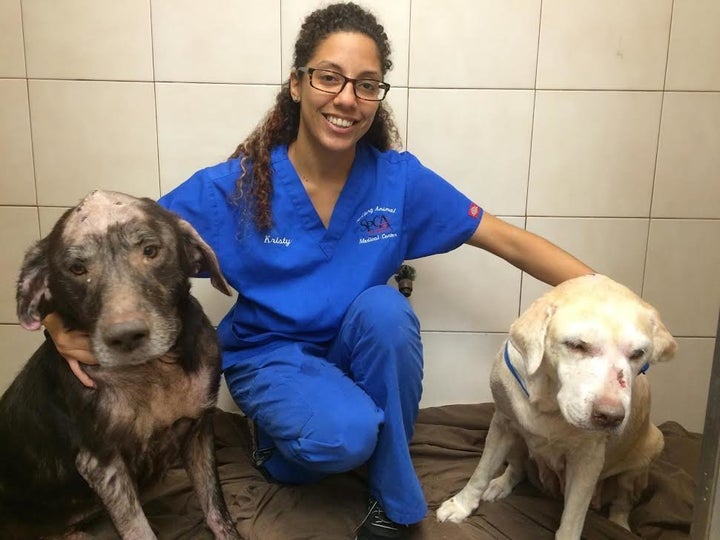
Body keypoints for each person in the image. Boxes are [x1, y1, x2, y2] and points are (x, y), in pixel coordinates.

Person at [43, 3, 594, 539]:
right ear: (297, 83)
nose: (347, 99)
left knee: (385, 309)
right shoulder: (233, 186)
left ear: (378, 96)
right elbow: (121, 244)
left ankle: (394, 506)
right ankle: (279, 452)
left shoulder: (398, 181)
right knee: (346, 437)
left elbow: (510, 240)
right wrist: (57, 322)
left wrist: (608, 303)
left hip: (354, 350)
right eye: (329, 77)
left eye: (366, 84)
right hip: (269, 356)